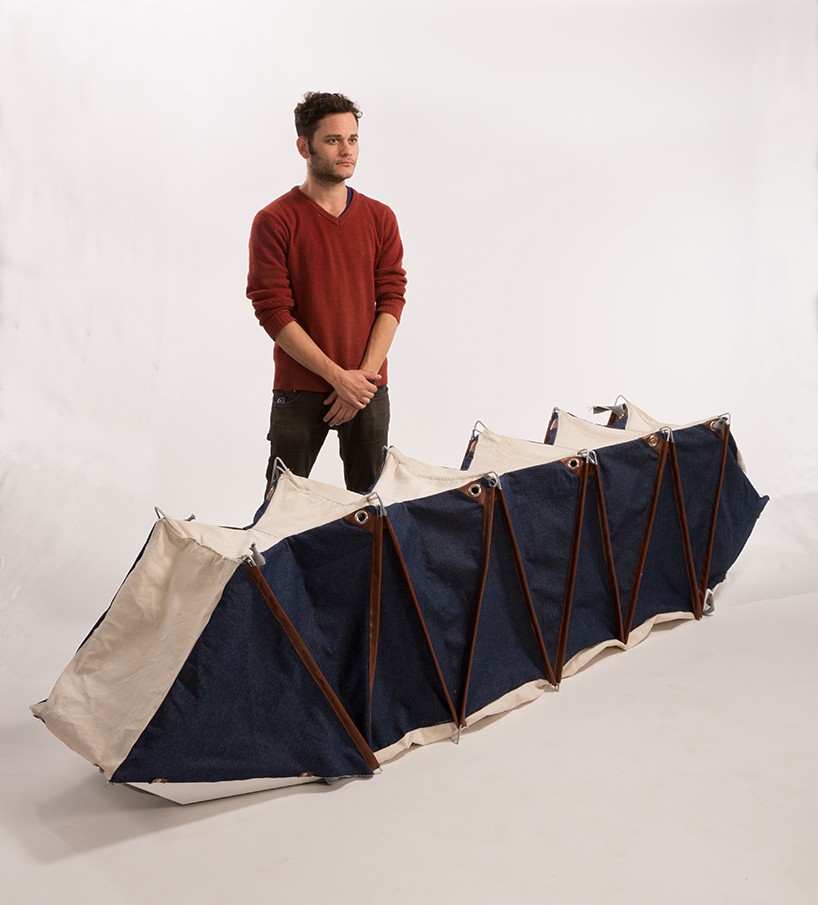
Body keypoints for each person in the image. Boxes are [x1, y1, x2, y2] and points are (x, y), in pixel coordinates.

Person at [247, 91, 407, 495]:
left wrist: (361, 381)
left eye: (352, 139)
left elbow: (391, 297)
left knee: (373, 508)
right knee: (283, 510)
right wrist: (339, 378)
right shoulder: (274, 221)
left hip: (368, 387)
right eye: (333, 140)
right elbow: (273, 311)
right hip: (300, 389)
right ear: (304, 147)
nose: (346, 150)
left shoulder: (380, 218)